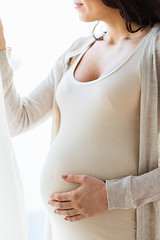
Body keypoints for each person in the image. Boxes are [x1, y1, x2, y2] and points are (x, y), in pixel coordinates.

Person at [0, 0, 160, 240]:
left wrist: (111, 195)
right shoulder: (77, 51)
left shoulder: (154, 49)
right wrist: (2, 52)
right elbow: (17, 120)